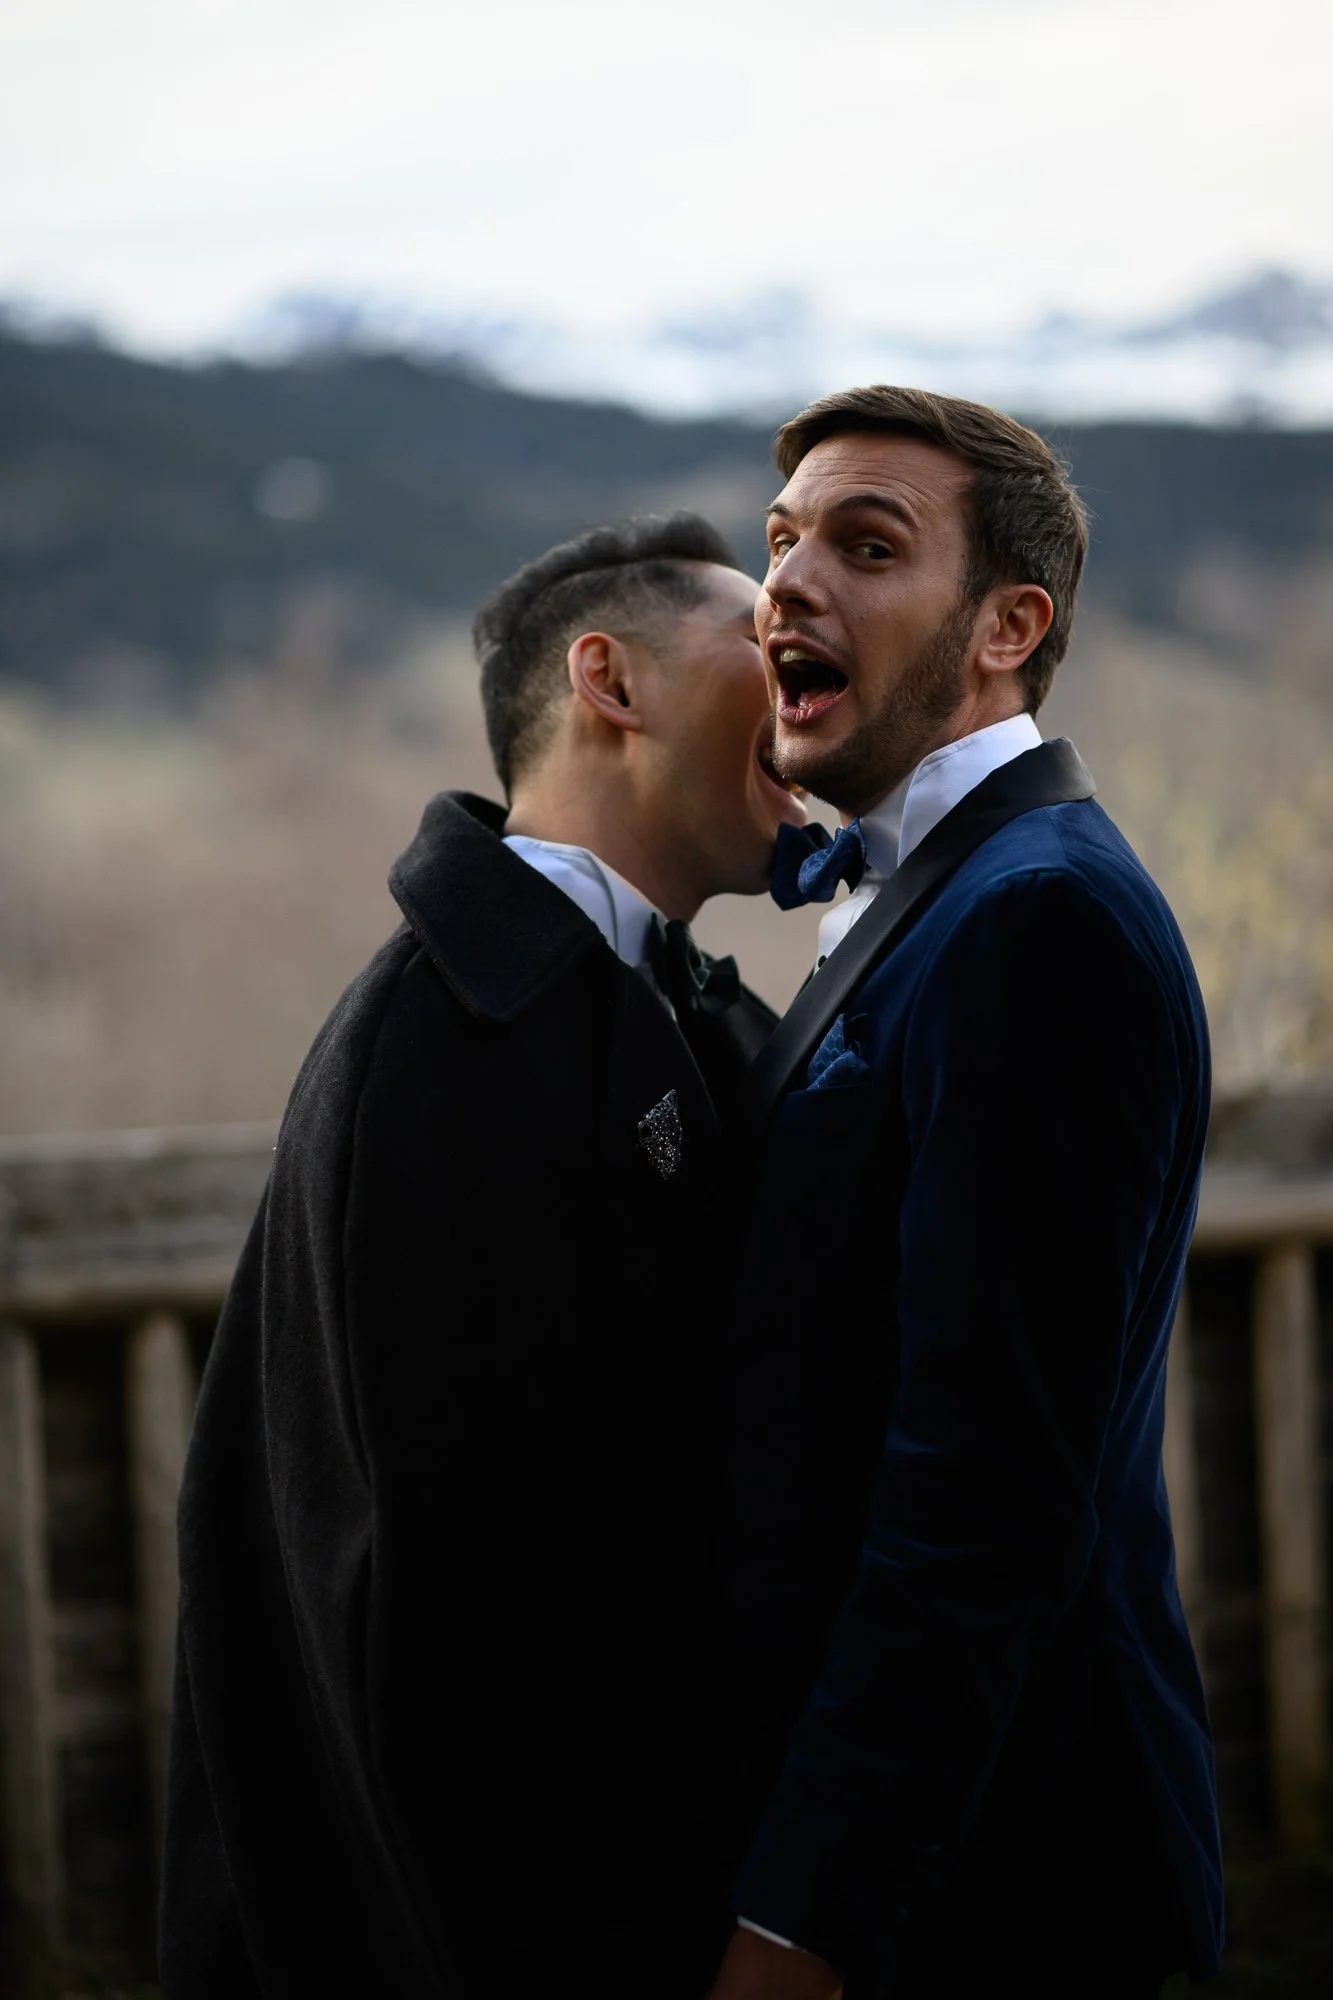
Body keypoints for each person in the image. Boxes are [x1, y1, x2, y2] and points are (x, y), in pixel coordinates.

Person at [160, 513, 805, 1999]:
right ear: (610, 681)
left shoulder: (651, 1005)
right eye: (751, 639)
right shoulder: (445, 1058)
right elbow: (460, 1607)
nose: (795, 670)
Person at [711, 389, 1224, 2000]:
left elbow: (981, 1497)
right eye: (781, 539)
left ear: (1011, 625)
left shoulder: (1040, 922)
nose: (786, 582)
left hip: (1003, 1889)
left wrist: (805, 1919)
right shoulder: (939, 886)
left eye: (867, 546)